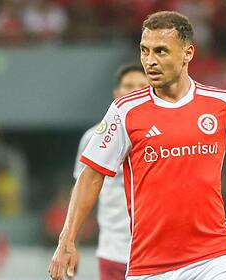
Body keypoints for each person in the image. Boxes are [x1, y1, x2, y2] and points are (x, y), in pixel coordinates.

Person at [49, 11, 226, 280]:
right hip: (150, 266)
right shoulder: (125, 111)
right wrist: (67, 238)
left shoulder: (222, 104)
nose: (150, 61)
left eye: (161, 51)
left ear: (187, 53)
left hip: (214, 256)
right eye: (144, 51)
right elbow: (91, 176)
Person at [73, 64, 148, 280]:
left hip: (156, 253)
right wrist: (70, 243)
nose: (134, 91)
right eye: (128, 86)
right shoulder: (94, 138)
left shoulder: (164, 136)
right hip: (113, 251)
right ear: (117, 94)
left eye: (142, 86)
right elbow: (81, 193)